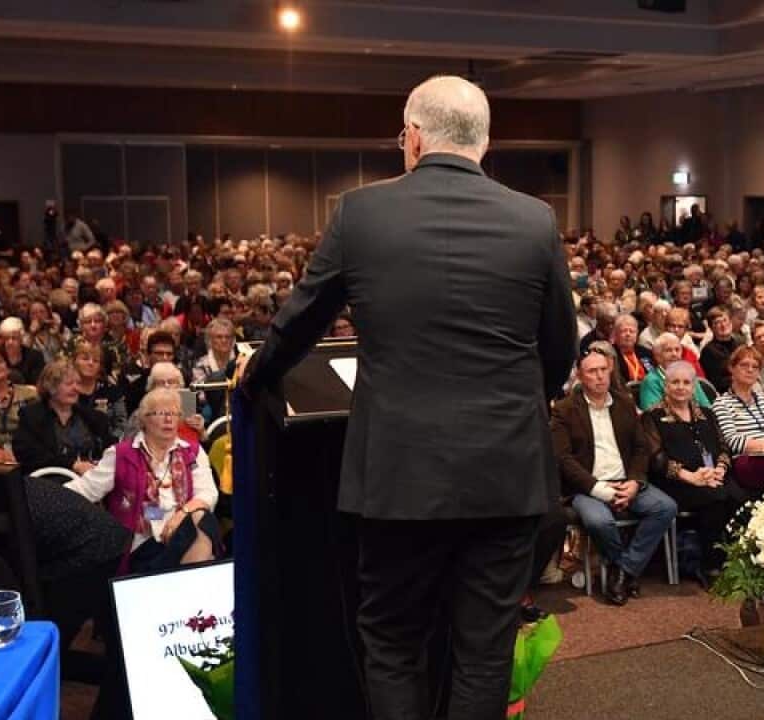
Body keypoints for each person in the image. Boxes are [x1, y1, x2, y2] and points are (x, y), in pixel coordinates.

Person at [241, 76, 576, 720]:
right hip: (505, 474)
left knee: (393, 641)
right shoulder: (535, 219)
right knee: (484, 651)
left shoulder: (362, 212)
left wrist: (256, 378)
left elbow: (301, 320)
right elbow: (557, 349)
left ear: (414, 138)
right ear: (485, 142)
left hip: (399, 475)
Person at [553, 348, 678, 605]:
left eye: (603, 369)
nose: (599, 376)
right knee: (600, 522)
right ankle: (625, 572)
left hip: (627, 482)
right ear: (580, 375)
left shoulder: (624, 403)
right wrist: (599, 489)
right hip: (587, 487)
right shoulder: (565, 409)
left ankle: (621, 571)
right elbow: (563, 460)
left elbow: (641, 449)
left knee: (665, 507)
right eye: (592, 371)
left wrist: (634, 481)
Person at [65, 388, 218, 573]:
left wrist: (182, 514)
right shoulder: (121, 454)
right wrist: (47, 497)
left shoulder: (192, 452)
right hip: (142, 546)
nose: (169, 419)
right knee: (200, 533)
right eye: (161, 413)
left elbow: (208, 493)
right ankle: (196, 587)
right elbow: (86, 490)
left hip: (183, 533)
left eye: (174, 413)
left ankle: (190, 584)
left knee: (202, 519)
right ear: (144, 418)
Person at [642, 361, 742, 581]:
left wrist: (720, 469)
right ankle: (710, 566)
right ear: (666, 386)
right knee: (715, 499)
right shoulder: (653, 416)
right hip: (674, 482)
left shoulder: (707, 413)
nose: (680, 387)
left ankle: (733, 560)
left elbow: (724, 447)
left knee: (738, 496)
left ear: (694, 386)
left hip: (712, 476)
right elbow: (655, 458)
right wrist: (690, 477)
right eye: (674, 382)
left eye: (686, 382)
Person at [712, 346, 764, 495]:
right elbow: (734, 442)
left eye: (755, 367)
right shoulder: (722, 403)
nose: (750, 370)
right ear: (732, 368)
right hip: (748, 460)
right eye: (744, 365)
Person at [13, 359, 115, 475]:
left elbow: (110, 448)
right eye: (69, 384)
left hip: (92, 479)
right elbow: (28, 454)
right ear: (51, 387)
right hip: (49, 480)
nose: (76, 388)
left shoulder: (94, 418)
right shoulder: (31, 416)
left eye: (77, 383)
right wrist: (72, 464)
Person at [640, 333, 712, 410]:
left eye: (677, 350)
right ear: (657, 356)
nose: (674, 354)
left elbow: (706, 407)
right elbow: (651, 414)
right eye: (668, 350)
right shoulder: (651, 381)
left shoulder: (690, 377)